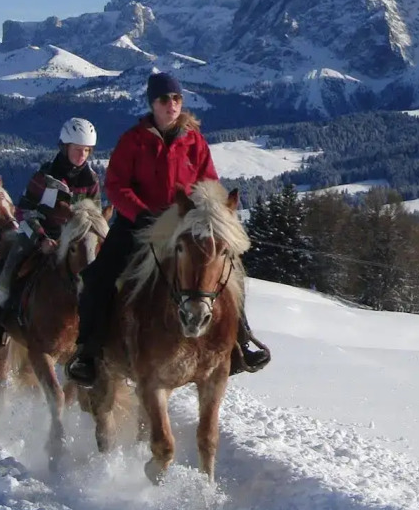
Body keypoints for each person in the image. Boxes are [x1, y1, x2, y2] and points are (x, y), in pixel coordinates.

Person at [65, 72, 270, 386]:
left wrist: (206, 212)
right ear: (153, 103)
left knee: (231, 273)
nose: (171, 104)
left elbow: (208, 183)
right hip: (139, 224)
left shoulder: (194, 141)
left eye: (176, 98)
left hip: (185, 225)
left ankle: (240, 341)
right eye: (164, 99)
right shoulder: (133, 140)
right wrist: (140, 213)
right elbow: (117, 185)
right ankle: (89, 351)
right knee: (98, 276)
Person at [0, 116, 101, 345]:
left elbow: (94, 216)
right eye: (77, 150)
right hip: (41, 233)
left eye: (87, 151)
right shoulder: (45, 176)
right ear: (65, 147)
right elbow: (24, 210)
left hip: (75, 239)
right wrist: (42, 238)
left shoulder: (92, 181)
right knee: (12, 262)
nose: (82, 156)